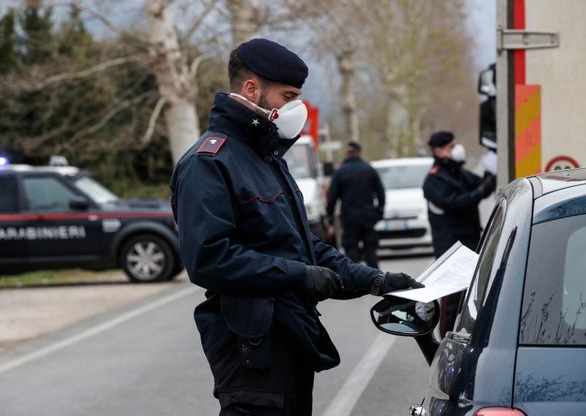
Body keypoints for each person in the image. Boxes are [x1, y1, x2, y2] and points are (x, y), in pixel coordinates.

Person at [170, 38, 423, 416]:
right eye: (288, 96)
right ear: (251, 88)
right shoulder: (209, 162)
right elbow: (209, 258)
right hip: (252, 350)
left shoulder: (266, 158)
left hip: (290, 335)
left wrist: (375, 280)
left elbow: (305, 247)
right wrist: (299, 276)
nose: (296, 108)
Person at [422, 130, 496, 338]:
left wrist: (490, 177)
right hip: (450, 248)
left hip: (470, 241)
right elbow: (456, 204)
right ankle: (446, 340)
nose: (457, 149)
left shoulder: (458, 172)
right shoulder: (434, 181)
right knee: (452, 299)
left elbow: (480, 185)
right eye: (451, 146)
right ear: (438, 151)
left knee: (472, 295)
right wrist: (481, 191)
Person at [326, 141, 385, 268]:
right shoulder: (369, 170)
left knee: (351, 250)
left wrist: (330, 218)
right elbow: (381, 193)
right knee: (371, 249)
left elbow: (332, 198)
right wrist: (379, 212)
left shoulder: (340, 172)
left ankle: (356, 281)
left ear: (347, 153)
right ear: (359, 152)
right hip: (368, 216)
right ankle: (376, 279)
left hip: (349, 218)